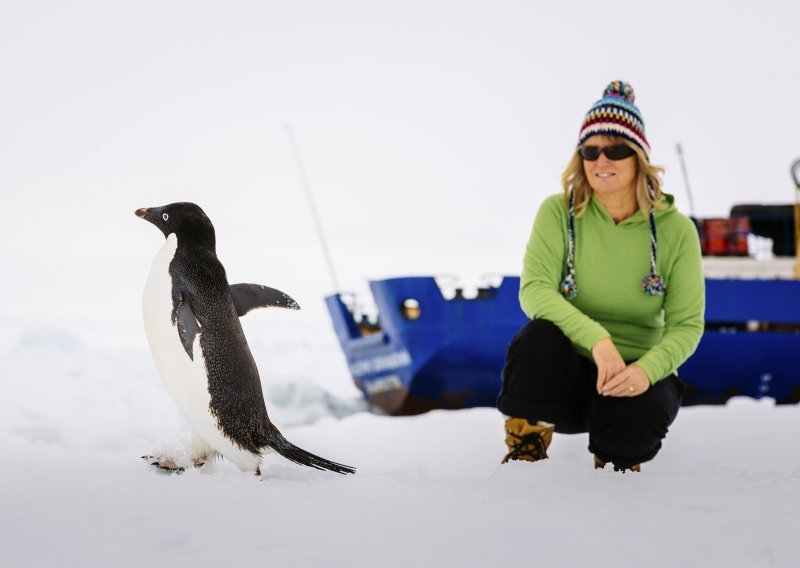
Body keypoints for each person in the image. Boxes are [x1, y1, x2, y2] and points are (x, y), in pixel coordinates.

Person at [496, 81, 705, 472]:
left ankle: (616, 474)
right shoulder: (557, 213)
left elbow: (687, 325)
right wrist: (597, 340)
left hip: (633, 377)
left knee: (634, 423)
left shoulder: (677, 230)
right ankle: (525, 457)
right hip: (568, 379)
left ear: (639, 156)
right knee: (536, 339)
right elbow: (535, 291)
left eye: (616, 149)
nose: (601, 160)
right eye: (590, 150)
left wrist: (647, 370)